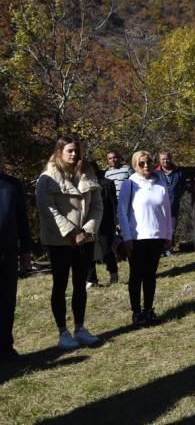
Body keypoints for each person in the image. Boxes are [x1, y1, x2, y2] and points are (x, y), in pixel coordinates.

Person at [35, 135, 103, 350]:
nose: (74, 154)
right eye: (70, 150)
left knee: (80, 285)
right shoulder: (47, 178)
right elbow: (49, 211)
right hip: (60, 241)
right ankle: (63, 332)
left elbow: (97, 206)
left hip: (85, 238)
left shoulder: (87, 174)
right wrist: (72, 233)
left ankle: (80, 328)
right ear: (59, 152)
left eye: (77, 150)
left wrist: (87, 230)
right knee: (60, 285)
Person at [117, 151, 173, 326]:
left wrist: (168, 234)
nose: (146, 166)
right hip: (137, 238)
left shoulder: (160, 182)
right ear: (135, 166)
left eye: (148, 162)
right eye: (141, 163)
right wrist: (127, 237)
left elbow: (167, 210)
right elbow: (122, 212)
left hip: (156, 236)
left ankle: (149, 310)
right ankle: (136, 313)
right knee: (136, 276)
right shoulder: (130, 184)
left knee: (150, 275)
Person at [0, 146, 32, 362]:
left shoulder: (12, 185)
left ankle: (5, 347)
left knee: (7, 301)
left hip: (8, 253)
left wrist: (27, 250)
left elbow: (22, 220)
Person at [86, 159, 119, 288]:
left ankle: (113, 272)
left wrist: (116, 220)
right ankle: (91, 279)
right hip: (88, 222)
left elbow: (113, 203)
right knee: (88, 251)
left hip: (105, 221)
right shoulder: (80, 184)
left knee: (107, 249)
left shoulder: (108, 183)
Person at [156, 151, 185, 255]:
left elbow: (182, 187)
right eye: (163, 159)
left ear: (171, 158)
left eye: (167, 158)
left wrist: (176, 196)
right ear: (159, 160)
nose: (165, 161)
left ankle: (168, 249)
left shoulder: (179, 172)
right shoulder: (156, 173)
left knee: (171, 227)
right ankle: (159, 249)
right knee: (159, 227)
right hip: (159, 206)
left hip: (173, 205)